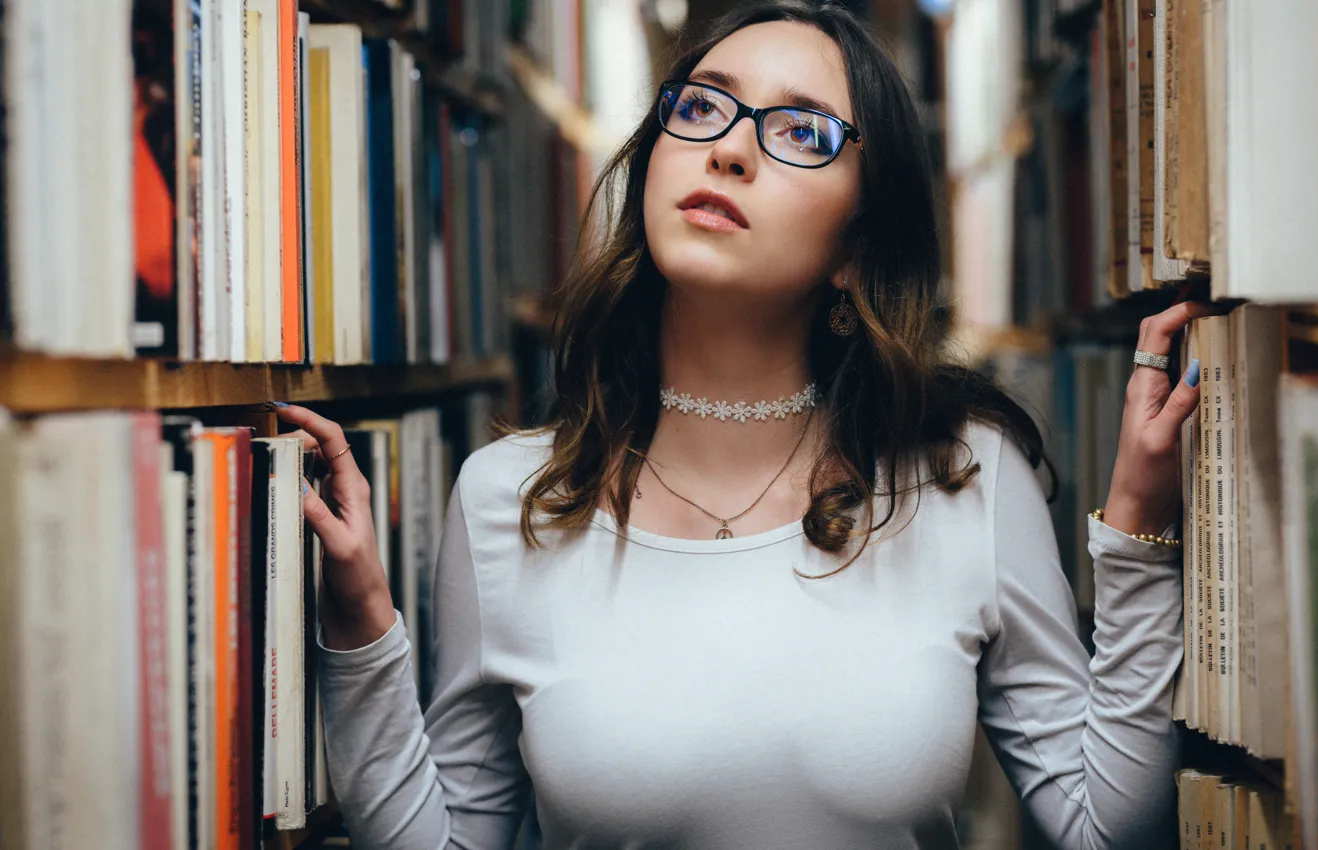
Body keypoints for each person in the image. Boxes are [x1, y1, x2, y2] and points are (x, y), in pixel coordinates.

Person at [276, 2, 1204, 846]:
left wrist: (1137, 540)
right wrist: (361, 629)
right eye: (701, 107)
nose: (728, 149)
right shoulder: (510, 498)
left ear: (856, 246)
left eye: (801, 130)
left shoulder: (963, 476)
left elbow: (1103, 831)